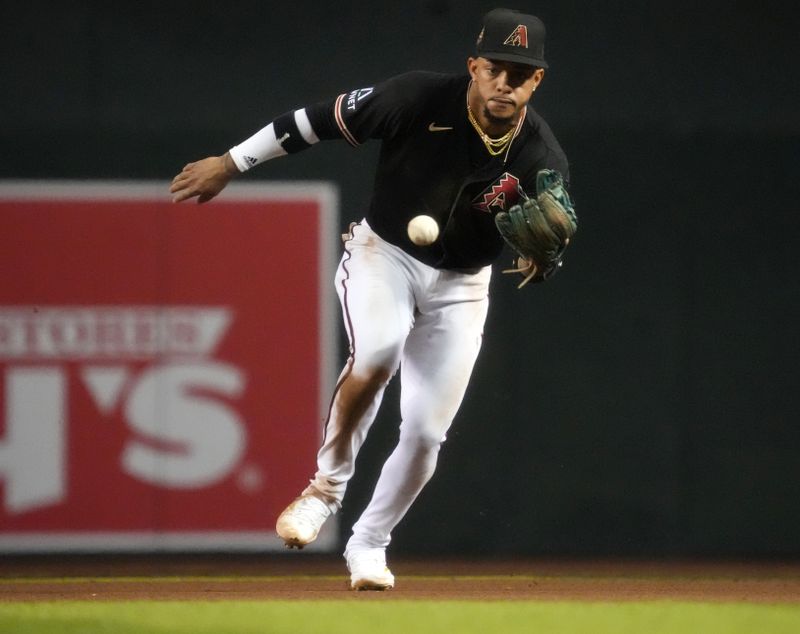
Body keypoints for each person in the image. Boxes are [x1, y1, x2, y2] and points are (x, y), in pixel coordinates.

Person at [170, 7, 571, 590]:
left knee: (427, 432)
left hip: (463, 285)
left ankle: (369, 545)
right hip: (383, 256)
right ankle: (323, 491)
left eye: (521, 73)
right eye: (496, 68)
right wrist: (230, 163)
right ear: (474, 67)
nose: (506, 82)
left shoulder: (540, 153)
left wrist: (547, 252)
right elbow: (310, 123)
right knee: (377, 352)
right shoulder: (416, 98)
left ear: (537, 81)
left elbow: (558, 216)